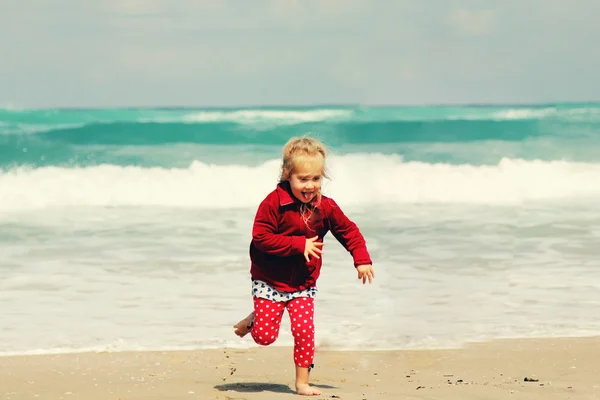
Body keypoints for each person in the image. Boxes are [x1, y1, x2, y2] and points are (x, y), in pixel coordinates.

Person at [233, 136, 375, 396]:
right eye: (303, 179)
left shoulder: (326, 207)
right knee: (265, 337)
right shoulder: (272, 204)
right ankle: (256, 318)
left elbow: (348, 231)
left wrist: (362, 259)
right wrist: (299, 245)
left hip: (303, 282)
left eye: (316, 179)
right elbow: (261, 238)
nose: (310, 186)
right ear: (288, 175)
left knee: (303, 330)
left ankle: (302, 383)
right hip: (269, 280)